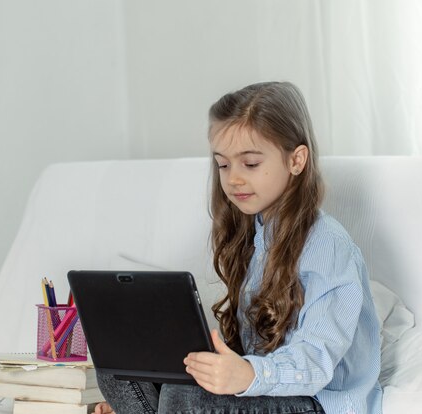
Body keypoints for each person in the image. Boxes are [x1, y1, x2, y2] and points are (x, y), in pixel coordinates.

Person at [94, 81, 383, 413]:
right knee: (117, 369)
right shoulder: (251, 234)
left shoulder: (328, 245)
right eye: (223, 164)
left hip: (314, 402)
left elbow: (316, 361)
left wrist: (247, 374)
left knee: (184, 396)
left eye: (250, 163)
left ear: (296, 160)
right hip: (261, 391)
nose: (233, 179)